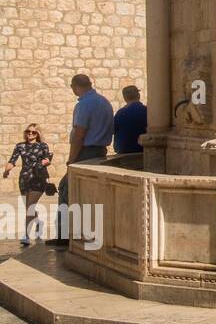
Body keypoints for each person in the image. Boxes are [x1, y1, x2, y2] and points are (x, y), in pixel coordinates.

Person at [51, 74, 115, 247]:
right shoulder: (104, 102)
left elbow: (79, 134)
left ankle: (63, 236)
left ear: (75, 86)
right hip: (100, 151)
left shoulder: (84, 104)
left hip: (85, 152)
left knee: (66, 189)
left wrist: (71, 160)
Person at [3, 124, 53, 247]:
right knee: (29, 208)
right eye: (28, 131)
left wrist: (45, 162)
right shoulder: (20, 146)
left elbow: (48, 159)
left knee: (30, 206)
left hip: (38, 179)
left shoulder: (43, 146)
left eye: (33, 132)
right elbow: (12, 160)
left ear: (38, 134)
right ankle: (39, 223)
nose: (30, 134)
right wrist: (6, 170)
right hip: (24, 180)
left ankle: (25, 235)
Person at [113, 85, 148, 155]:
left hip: (124, 151)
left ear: (125, 98)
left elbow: (113, 130)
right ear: (138, 95)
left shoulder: (121, 113)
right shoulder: (147, 111)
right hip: (143, 150)